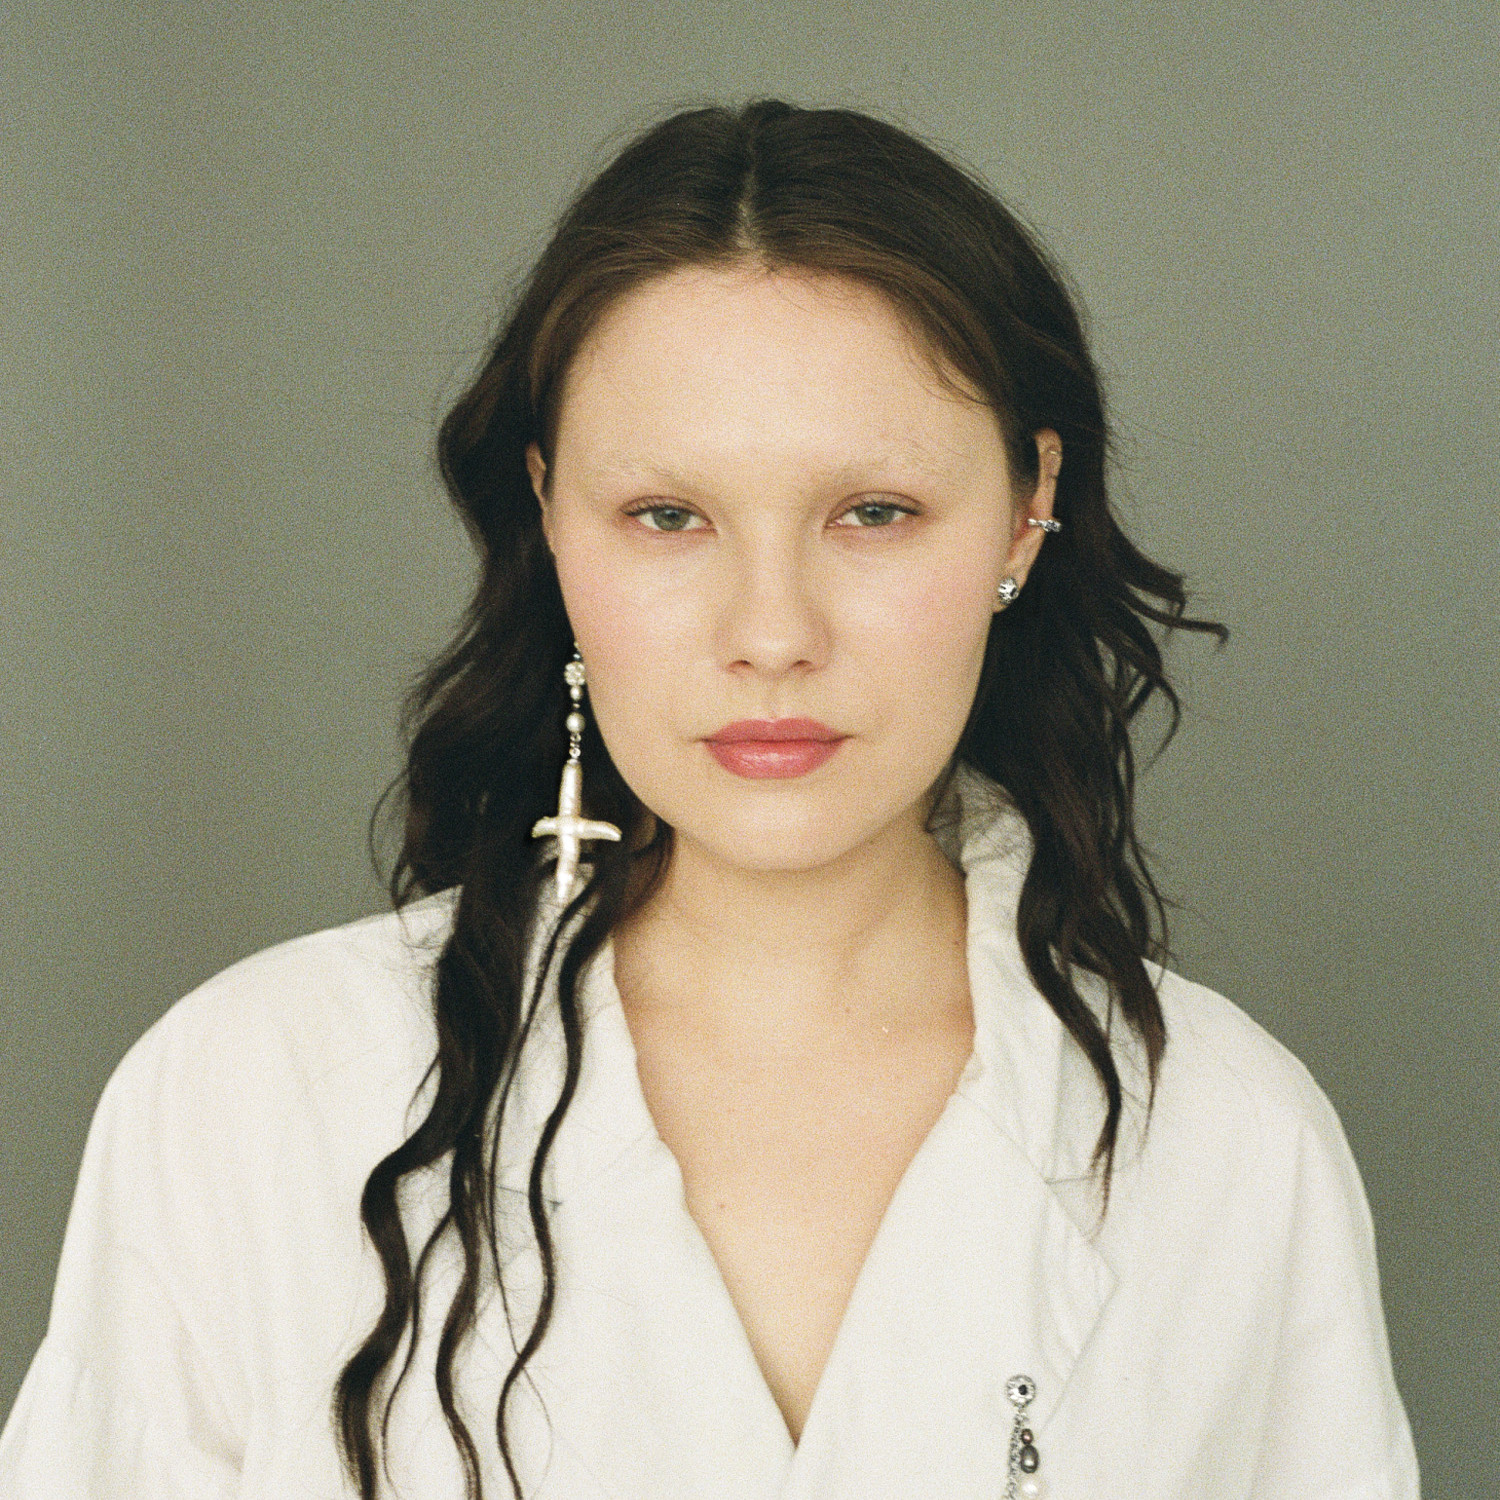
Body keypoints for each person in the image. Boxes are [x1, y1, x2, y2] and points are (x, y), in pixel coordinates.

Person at [0, 101, 1418, 1500]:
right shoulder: (248, 1099)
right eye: (668, 517)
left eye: (873, 513)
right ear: (550, 516)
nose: (772, 630)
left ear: (1028, 507)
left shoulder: (1231, 1141)